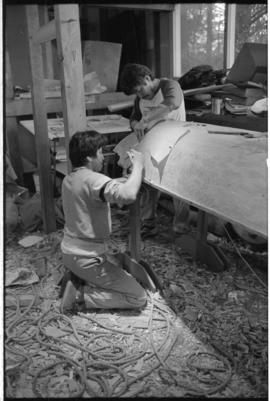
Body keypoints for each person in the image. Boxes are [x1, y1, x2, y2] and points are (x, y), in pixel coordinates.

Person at [60, 130, 147, 312]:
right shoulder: (94, 180)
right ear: (89, 157)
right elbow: (128, 195)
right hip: (86, 258)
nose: (103, 158)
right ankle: (80, 296)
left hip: (71, 253)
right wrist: (138, 166)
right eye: (100, 152)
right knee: (138, 297)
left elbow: (96, 187)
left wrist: (127, 179)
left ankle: (76, 276)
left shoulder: (71, 178)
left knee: (116, 266)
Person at [119, 63, 190, 238]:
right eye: (136, 93)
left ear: (147, 79)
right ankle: (148, 224)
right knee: (147, 183)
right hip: (152, 144)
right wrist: (136, 124)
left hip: (177, 143)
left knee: (178, 187)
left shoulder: (170, 86)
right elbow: (134, 118)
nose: (139, 94)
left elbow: (172, 102)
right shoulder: (140, 98)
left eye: (139, 89)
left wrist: (146, 119)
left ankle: (181, 229)